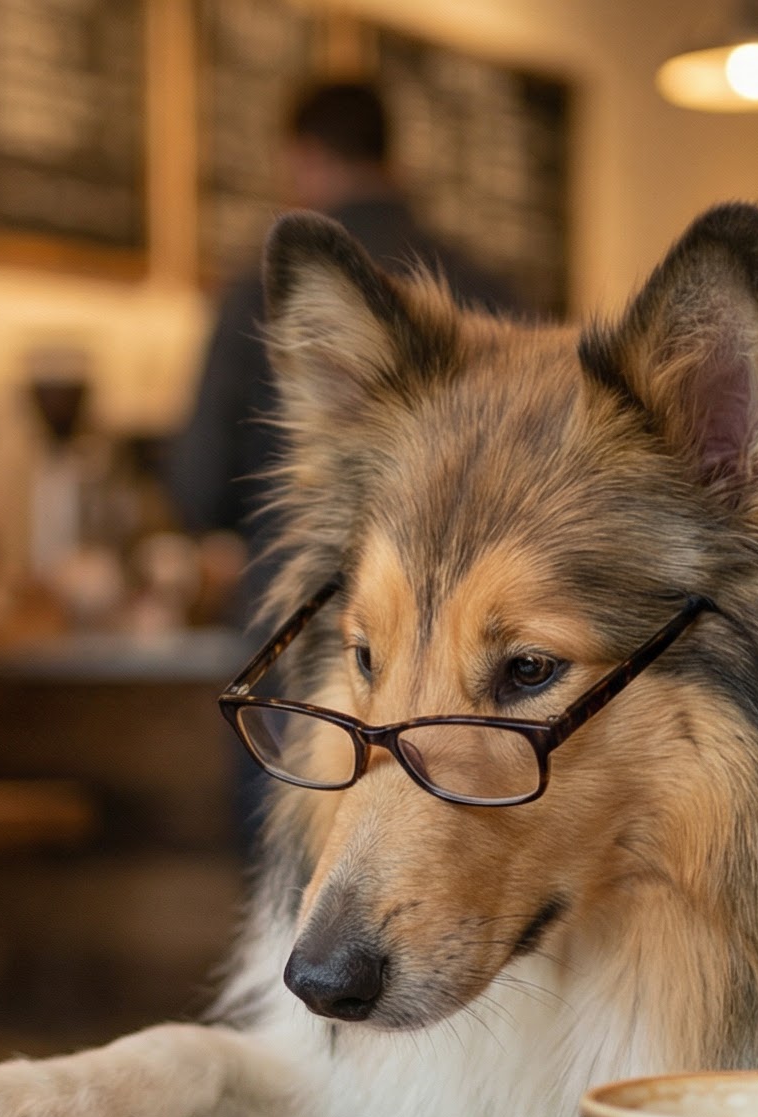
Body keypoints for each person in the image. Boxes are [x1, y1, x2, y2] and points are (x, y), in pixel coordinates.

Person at [166, 81, 514, 854]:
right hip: (495, 679)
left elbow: (198, 485)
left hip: (317, 649)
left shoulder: (255, 294)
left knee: (302, 883)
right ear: (395, 155)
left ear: (303, 157)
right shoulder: (495, 286)